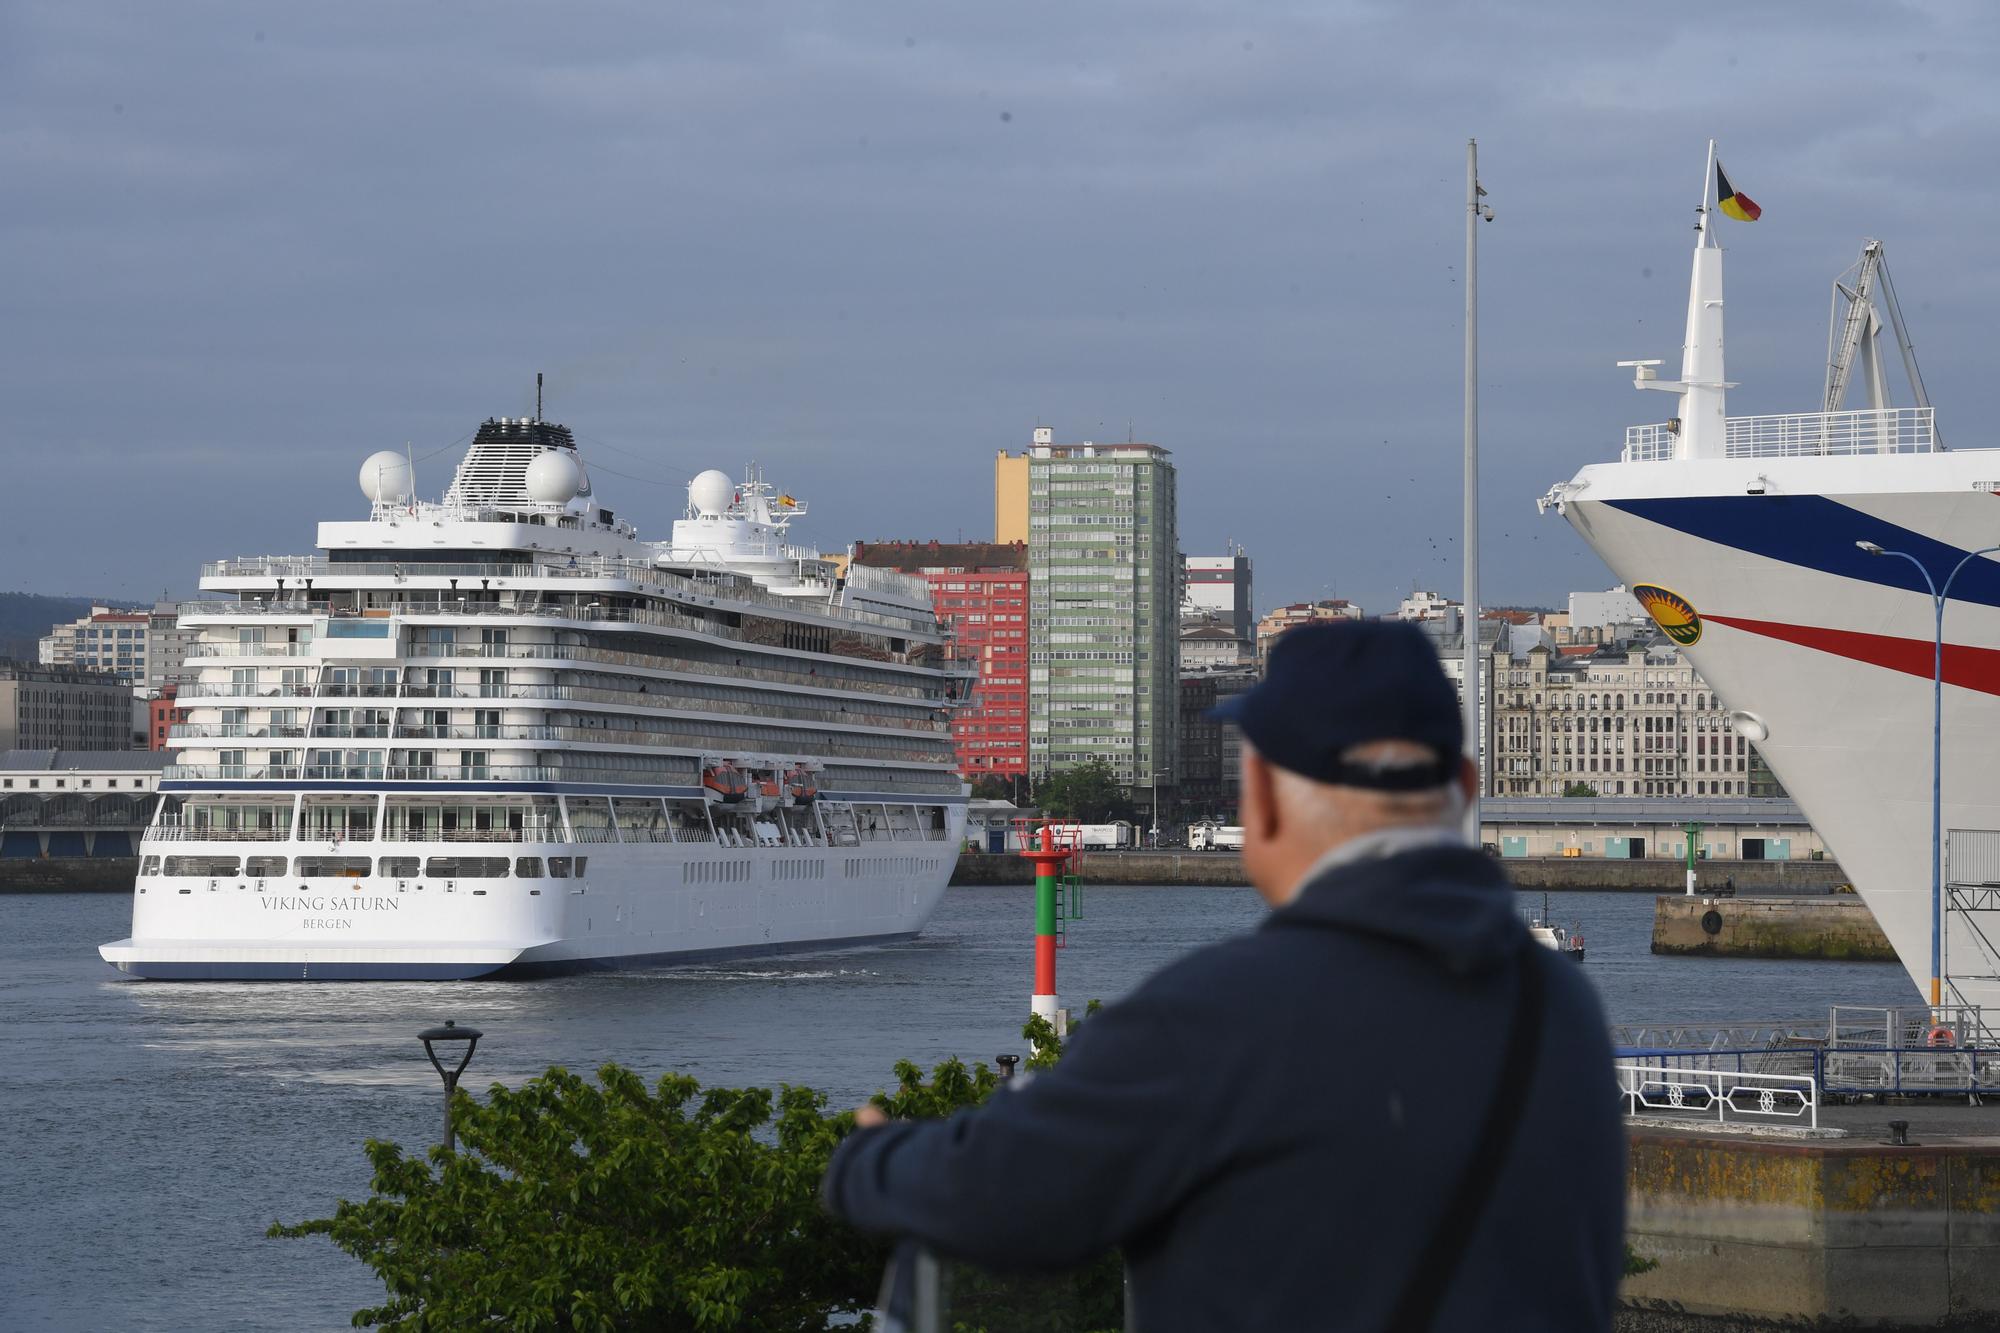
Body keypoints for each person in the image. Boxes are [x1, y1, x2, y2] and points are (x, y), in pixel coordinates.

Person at [821, 621, 1626, 1331]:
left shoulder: (1214, 1019)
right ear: (1464, 793)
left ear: (1264, 805)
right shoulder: (1561, 1011)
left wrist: (871, 1161)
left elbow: (1003, 1194)